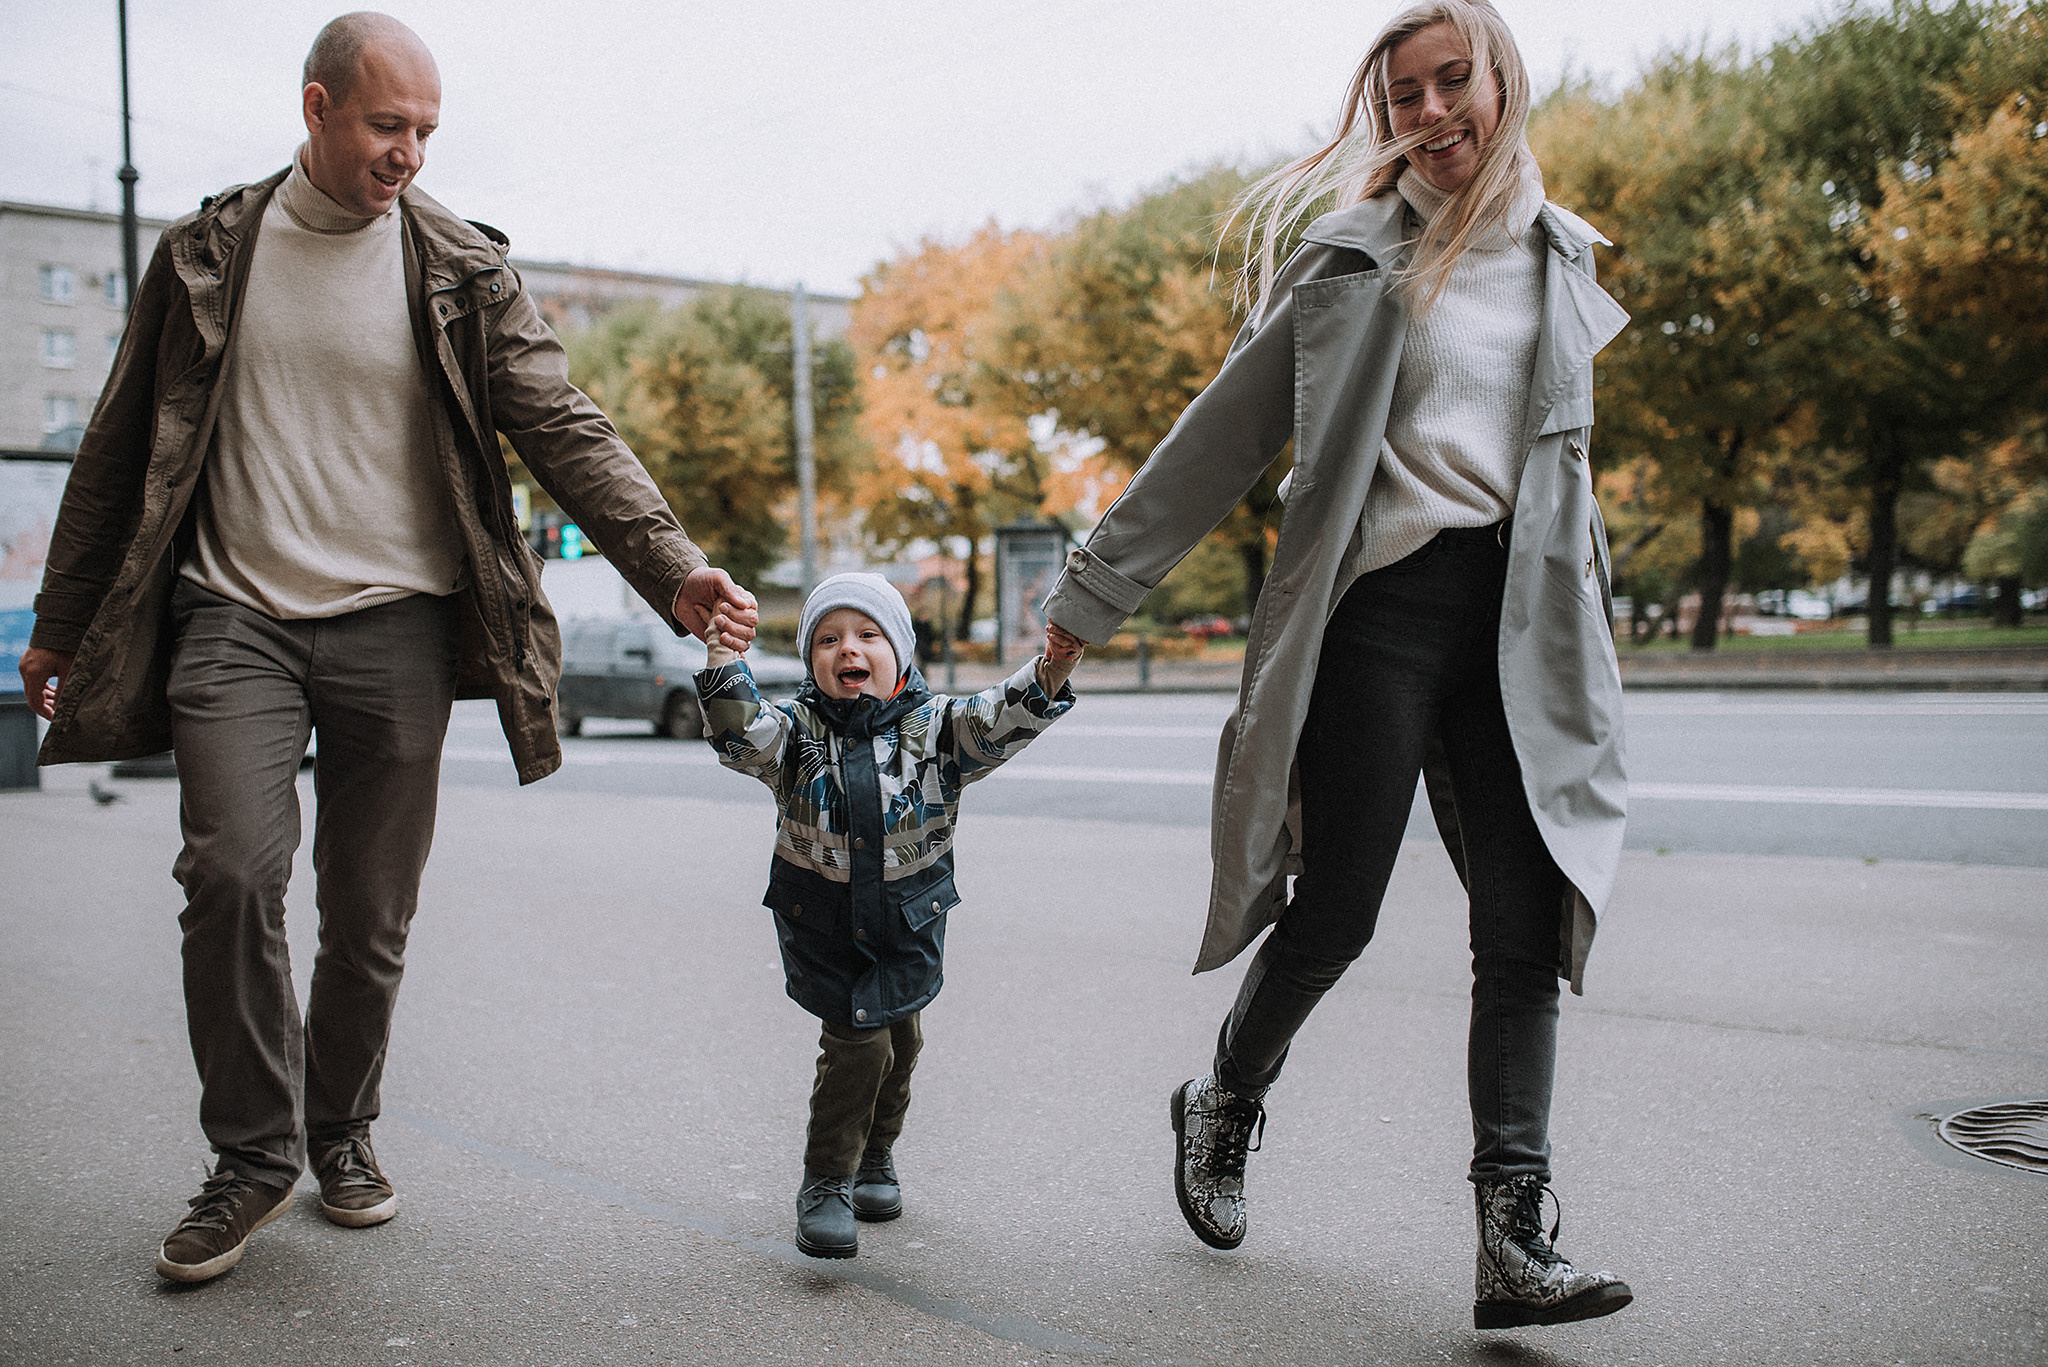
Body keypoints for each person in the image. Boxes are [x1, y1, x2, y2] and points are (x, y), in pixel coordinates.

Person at [16, 12, 758, 1285]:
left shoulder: (461, 268)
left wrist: (671, 565)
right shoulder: (206, 252)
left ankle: (341, 1127)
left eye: (425, 130)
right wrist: (57, 620)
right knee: (230, 873)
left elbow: (563, 423)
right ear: (317, 108)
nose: (408, 152)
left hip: (398, 622)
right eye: (385, 125)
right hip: (233, 612)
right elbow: (119, 437)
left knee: (368, 913)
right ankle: (251, 1157)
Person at [1041, 0, 1635, 1331]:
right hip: (1379, 613)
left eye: (1451, 82)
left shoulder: (1562, 256)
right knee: (1340, 907)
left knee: (1521, 924)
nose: (1430, 114)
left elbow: (1562, 474)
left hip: (1516, 621)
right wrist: (1092, 594)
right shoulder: (1354, 260)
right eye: (1402, 96)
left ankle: (1510, 1236)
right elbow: (1219, 435)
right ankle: (1224, 1095)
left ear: (1502, 83)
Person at [694, 573, 1081, 1259]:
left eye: (868, 634)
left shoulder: (937, 731)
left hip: (907, 918)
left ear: (899, 651)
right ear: (812, 660)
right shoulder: (796, 732)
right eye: (828, 639)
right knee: (860, 1044)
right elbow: (739, 735)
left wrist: (1052, 667)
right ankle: (826, 1180)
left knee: (903, 1043)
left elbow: (1000, 718)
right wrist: (724, 657)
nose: (849, 648)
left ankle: (876, 1155)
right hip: (825, 923)